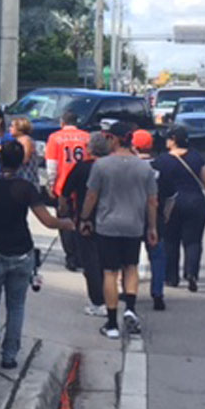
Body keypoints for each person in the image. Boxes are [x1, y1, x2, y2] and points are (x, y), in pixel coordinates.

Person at [0, 142, 74, 369]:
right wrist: (65, 223)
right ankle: (9, 355)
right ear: (19, 162)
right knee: (16, 305)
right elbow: (47, 220)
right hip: (21, 250)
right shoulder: (25, 188)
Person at [78, 122, 158, 339]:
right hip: (134, 225)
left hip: (108, 225)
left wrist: (85, 218)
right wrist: (152, 227)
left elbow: (91, 196)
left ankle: (112, 323)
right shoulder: (145, 168)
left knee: (110, 272)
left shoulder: (101, 166)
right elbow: (152, 201)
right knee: (130, 267)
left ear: (113, 139)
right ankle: (130, 308)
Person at [153, 126, 205, 294]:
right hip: (195, 202)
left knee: (171, 241)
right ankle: (191, 273)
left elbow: (154, 183)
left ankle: (171, 277)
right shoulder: (196, 157)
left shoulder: (162, 160)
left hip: (172, 204)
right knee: (193, 241)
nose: (166, 141)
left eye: (168, 138)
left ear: (173, 140)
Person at [60, 133, 112, 317]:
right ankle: (109, 297)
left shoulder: (81, 168)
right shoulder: (112, 167)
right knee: (107, 262)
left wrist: (65, 211)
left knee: (90, 261)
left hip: (87, 218)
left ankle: (97, 301)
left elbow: (65, 191)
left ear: (90, 149)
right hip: (110, 218)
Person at [45, 112, 91, 272]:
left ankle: (70, 257)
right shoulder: (87, 137)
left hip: (63, 184)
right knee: (82, 219)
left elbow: (52, 164)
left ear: (62, 122)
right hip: (83, 184)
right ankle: (82, 256)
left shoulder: (54, 138)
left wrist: (51, 184)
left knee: (65, 221)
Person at [131, 129, 166, 310]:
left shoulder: (129, 167)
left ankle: (129, 292)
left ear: (133, 145)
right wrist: (165, 215)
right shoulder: (160, 167)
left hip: (132, 216)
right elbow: (170, 196)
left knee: (129, 258)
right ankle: (158, 292)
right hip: (156, 217)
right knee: (158, 257)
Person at [9, 118, 41, 188]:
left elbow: (25, 159)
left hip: (27, 177)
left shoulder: (26, 140)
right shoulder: (15, 141)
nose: (10, 128)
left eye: (12, 126)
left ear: (19, 128)